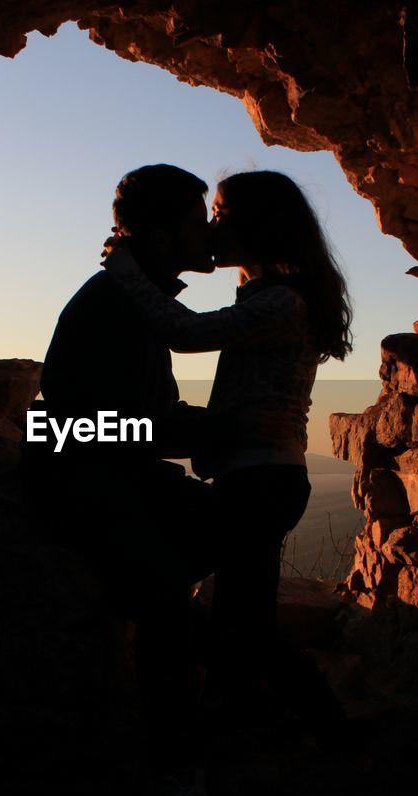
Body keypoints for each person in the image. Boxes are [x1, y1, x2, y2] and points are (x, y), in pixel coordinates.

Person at [101, 169, 353, 749]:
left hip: (262, 480)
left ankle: (326, 731)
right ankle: (264, 716)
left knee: (220, 617)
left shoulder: (281, 303)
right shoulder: (272, 299)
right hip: (261, 476)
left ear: (256, 225)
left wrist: (126, 272)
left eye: (220, 213)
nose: (213, 226)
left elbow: (184, 331)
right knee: (244, 622)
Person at [20, 164, 228, 796]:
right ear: (165, 234)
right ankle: (178, 778)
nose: (212, 231)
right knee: (164, 598)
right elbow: (74, 426)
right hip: (82, 479)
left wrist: (187, 428)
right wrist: (190, 432)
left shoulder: (132, 301)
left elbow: (140, 416)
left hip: (119, 473)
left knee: (230, 529)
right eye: (199, 219)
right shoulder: (111, 305)